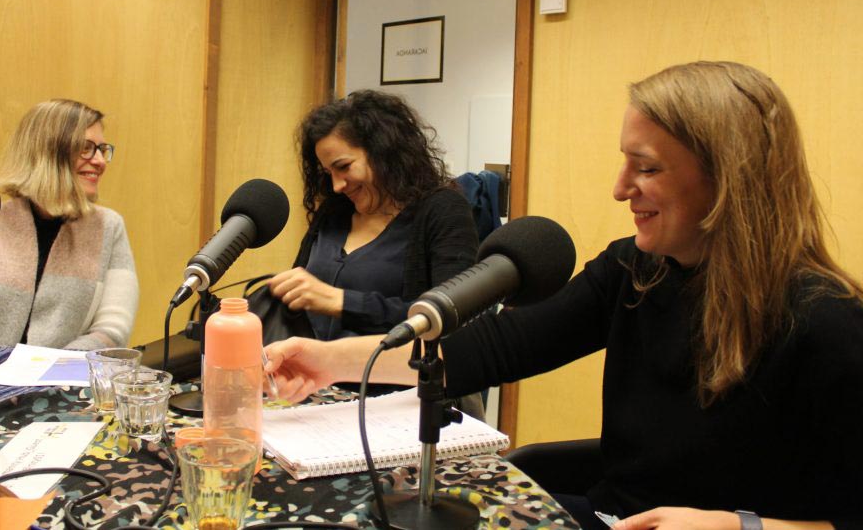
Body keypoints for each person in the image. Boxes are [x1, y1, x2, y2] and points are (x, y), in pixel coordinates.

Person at [264, 62, 863, 530]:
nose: (620, 188)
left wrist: (739, 523)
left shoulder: (827, 323)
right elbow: (494, 347)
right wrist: (330, 361)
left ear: (727, 177)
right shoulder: (635, 270)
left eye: (646, 168)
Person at [0, 99, 138, 351]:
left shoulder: (109, 228)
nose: (100, 161)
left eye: (102, 149)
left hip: (59, 383)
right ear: (46, 151)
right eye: (86, 148)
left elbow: (112, 330)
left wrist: (49, 373)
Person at [267, 89, 479, 341]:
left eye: (343, 167)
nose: (336, 186)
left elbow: (450, 320)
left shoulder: (442, 210)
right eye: (327, 173)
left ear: (383, 152)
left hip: (390, 378)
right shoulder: (333, 212)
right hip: (313, 377)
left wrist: (341, 302)